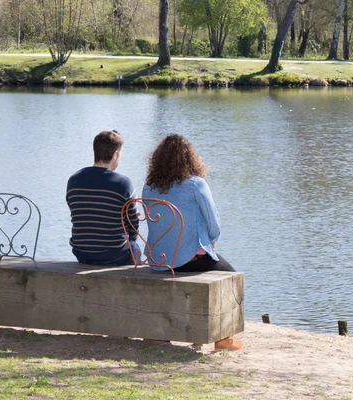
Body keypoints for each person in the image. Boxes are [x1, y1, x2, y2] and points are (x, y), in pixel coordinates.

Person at [142, 133, 242, 351]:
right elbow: (213, 223)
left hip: (159, 259)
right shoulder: (196, 184)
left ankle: (167, 335)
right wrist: (211, 242)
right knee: (232, 278)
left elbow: (154, 224)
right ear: (189, 158)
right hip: (189, 259)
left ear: (156, 160)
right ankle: (224, 339)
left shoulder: (148, 187)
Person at [66, 130, 139, 266]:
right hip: (115, 254)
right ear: (115, 155)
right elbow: (133, 224)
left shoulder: (74, 180)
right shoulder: (123, 183)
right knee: (135, 248)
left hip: (81, 253)